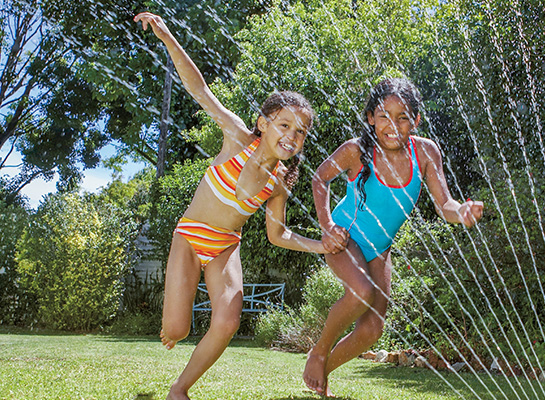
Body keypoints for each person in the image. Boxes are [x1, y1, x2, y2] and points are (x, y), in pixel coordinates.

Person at [134, 12, 344, 400]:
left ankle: (179, 389)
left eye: (300, 132)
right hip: (191, 234)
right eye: (284, 125)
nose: (292, 136)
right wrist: (168, 38)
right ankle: (174, 325)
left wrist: (321, 244)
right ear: (264, 124)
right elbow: (200, 90)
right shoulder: (237, 138)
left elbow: (277, 235)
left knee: (228, 320)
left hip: (226, 244)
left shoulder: (279, 184)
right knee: (177, 330)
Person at [305, 77, 484, 396]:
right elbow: (321, 178)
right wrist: (327, 224)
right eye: (384, 115)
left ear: (415, 120)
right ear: (371, 117)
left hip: (379, 250)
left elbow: (445, 204)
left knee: (372, 330)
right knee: (360, 291)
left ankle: (321, 370)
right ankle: (318, 351)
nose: (392, 124)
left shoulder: (426, 152)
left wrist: (463, 212)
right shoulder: (357, 150)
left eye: (403, 117)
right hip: (346, 237)